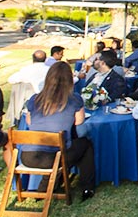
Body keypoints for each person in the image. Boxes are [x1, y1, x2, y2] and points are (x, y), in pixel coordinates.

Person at [22, 62, 96, 201]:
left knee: (56, 148)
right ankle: (87, 187)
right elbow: (80, 129)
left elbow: (29, 122)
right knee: (85, 144)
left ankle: (45, 188)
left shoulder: (35, 99)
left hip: (28, 156)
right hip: (54, 157)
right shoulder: (74, 99)